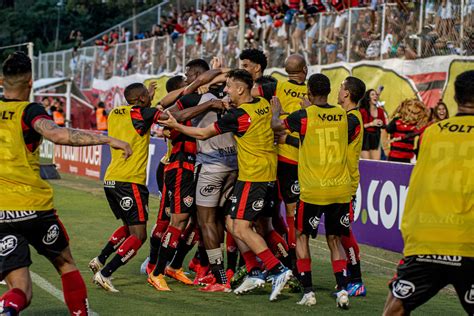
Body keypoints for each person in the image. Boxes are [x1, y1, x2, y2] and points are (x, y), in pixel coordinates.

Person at [0, 51, 131, 315]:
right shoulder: (28, 111)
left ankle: (6, 306)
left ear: (2, 80)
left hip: (1, 213)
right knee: (66, 264)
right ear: (31, 82)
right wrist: (106, 139)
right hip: (34, 208)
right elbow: (58, 134)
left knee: (21, 290)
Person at [159, 69, 293, 301]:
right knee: (232, 223)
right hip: (253, 174)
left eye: (229, 86)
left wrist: (177, 126)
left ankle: (278, 270)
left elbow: (202, 134)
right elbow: (273, 123)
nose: (226, 91)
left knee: (240, 227)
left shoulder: (237, 116)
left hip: (254, 176)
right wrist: (276, 115)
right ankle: (255, 271)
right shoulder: (260, 103)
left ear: (240, 89)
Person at [89, 81, 224, 292]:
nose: (151, 98)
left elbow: (149, 110)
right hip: (130, 180)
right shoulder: (144, 114)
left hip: (112, 178)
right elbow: (173, 118)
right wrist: (209, 104)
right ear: (142, 99)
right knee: (140, 234)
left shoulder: (116, 112)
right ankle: (109, 273)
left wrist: (148, 97)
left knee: (130, 226)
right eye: (147, 95)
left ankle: (101, 259)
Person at [383, 70, 474, 315]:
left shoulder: (431, 133)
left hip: (427, 237)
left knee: (395, 308)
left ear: (454, 97)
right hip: (468, 240)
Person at [271, 73, 352, 309]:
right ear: (328, 91)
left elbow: (276, 126)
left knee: (302, 236)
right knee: (335, 240)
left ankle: (308, 291)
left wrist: (276, 111)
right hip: (340, 189)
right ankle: (343, 290)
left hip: (314, 189)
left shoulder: (304, 115)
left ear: (308, 91)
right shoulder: (342, 115)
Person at [337, 76, 367, 296]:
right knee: (337, 233)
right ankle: (348, 278)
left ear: (346, 93)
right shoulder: (347, 117)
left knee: (343, 232)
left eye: (340, 87)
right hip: (338, 182)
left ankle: (357, 280)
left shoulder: (352, 120)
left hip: (346, 184)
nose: (338, 91)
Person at [359, 89, 387, 160]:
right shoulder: (362, 111)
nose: (375, 96)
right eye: (372, 94)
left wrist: (381, 123)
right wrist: (371, 124)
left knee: (375, 163)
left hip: (375, 137)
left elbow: (385, 126)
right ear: (368, 98)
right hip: (365, 138)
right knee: (367, 163)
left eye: (376, 95)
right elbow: (358, 126)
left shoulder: (380, 111)